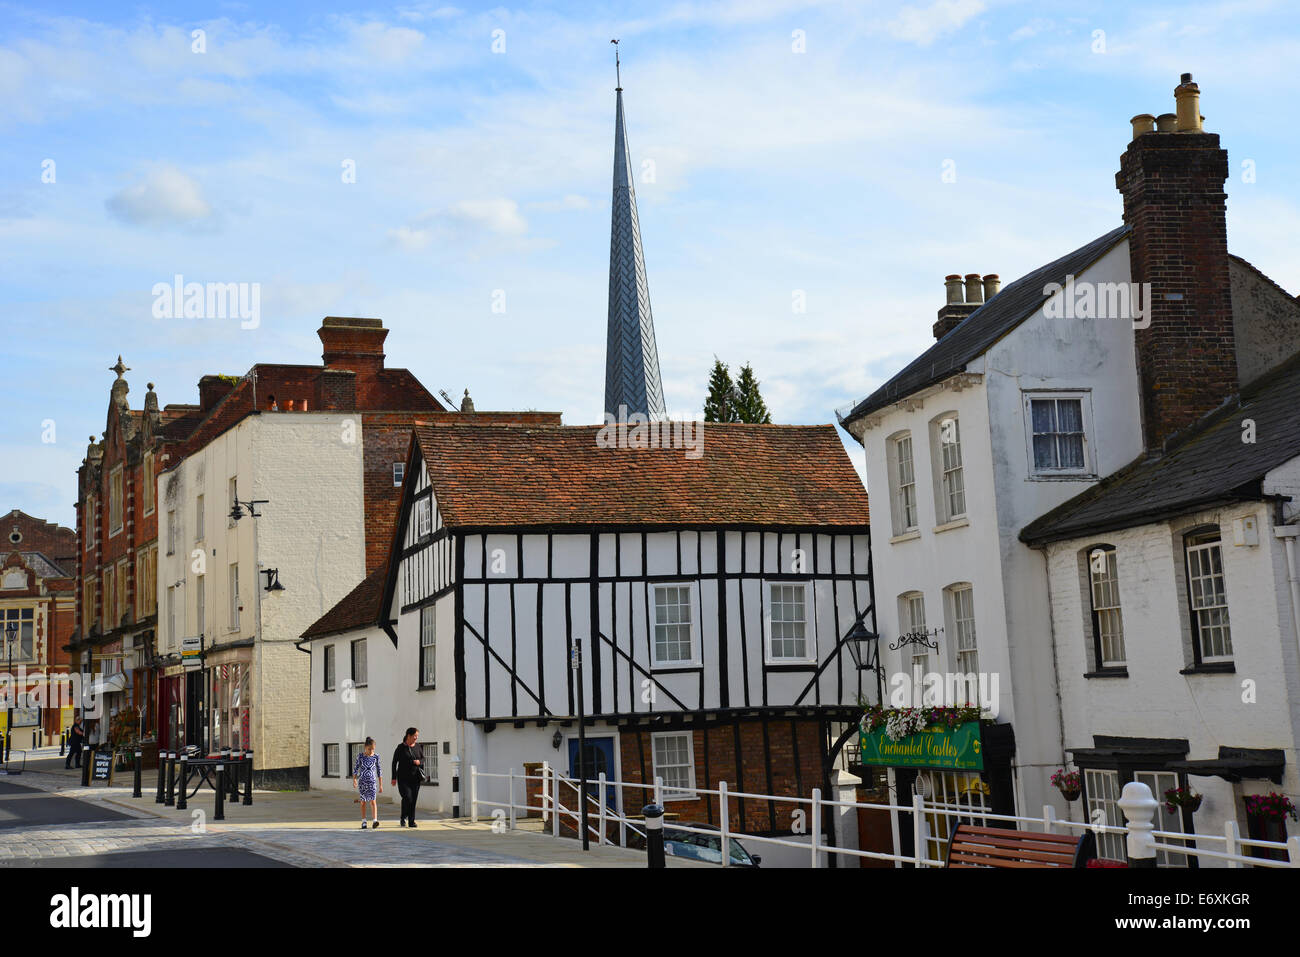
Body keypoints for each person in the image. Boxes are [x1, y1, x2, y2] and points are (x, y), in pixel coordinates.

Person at [390, 727, 425, 828]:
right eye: (415, 736)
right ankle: (403, 816)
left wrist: (419, 762)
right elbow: (394, 762)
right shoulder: (401, 747)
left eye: (417, 736)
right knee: (408, 798)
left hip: (415, 778)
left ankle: (411, 821)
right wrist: (393, 777)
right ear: (408, 736)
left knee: (413, 800)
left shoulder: (418, 746)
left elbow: (423, 758)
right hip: (403, 778)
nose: (416, 738)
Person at [352, 737, 383, 829]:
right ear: (365, 747)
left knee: (373, 801)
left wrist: (381, 785)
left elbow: (379, 771)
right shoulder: (360, 756)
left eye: (373, 749)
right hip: (362, 782)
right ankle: (364, 821)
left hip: (372, 782)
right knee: (363, 802)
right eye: (369, 749)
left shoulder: (376, 756)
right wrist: (354, 780)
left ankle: (375, 821)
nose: (371, 751)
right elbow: (355, 769)